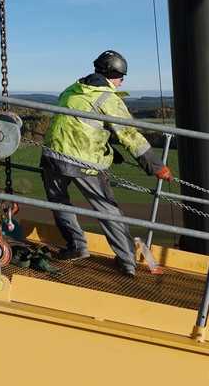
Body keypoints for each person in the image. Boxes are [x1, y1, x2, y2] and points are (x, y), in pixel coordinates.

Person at [40, 50, 173, 276]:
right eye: (122, 77)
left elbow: (81, 127)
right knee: (107, 210)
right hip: (84, 163)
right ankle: (127, 261)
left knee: (59, 202)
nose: (122, 82)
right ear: (114, 75)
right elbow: (130, 135)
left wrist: (109, 150)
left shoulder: (71, 90)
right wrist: (156, 166)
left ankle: (76, 246)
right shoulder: (108, 99)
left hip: (52, 157)